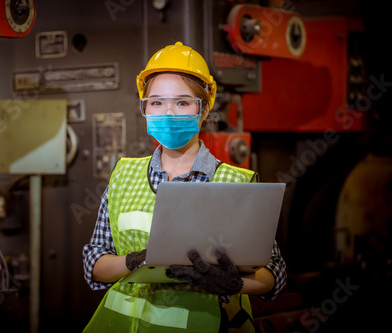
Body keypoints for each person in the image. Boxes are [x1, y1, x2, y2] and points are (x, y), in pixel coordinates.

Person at [82, 41, 287, 332]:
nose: (168, 113)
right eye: (156, 102)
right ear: (144, 109)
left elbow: (274, 272)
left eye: (182, 102)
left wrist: (236, 284)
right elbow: (95, 260)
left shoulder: (234, 183)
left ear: (203, 110)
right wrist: (133, 261)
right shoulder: (124, 175)